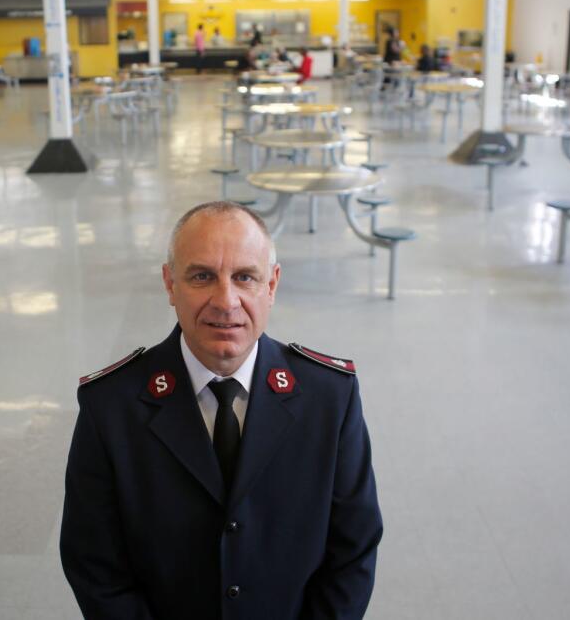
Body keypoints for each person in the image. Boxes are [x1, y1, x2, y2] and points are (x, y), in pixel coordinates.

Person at [60, 201, 383, 620]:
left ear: (272, 285)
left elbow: (353, 550)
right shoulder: (112, 407)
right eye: (202, 276)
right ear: (170, 284)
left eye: (245, 277)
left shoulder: (329, 399)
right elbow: (94, 563)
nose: (225, 301)